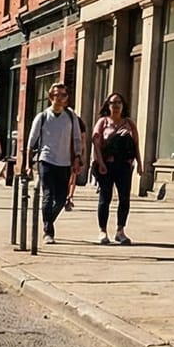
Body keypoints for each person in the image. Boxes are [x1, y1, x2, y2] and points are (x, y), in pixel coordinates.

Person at [26, 84, 83, 244]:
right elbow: (31, 142)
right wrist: (28, 164)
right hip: (46, 159)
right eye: (57, 95)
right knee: (48, 195)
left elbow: (77, 138)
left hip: (64, 162)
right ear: (51, 97)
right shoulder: (42, 116)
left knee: (61, 197)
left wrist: (77, 157)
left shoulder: (71, 117)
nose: (60, 98)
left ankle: (48, 221)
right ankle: (48, 231)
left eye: (63, 95)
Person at [91, 93, 141, 245]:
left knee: (124, 198)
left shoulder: (129, 123)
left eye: (119, 102)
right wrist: (100, 163)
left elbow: (136, 144)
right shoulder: (103, 122)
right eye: (113, 103)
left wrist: (140, 164)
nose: (116, 106)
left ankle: (120, 231)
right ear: (108, 105)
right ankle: (102, 231)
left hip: (124, 166)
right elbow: (96, 144)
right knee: (105, 198)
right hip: (107, 164)